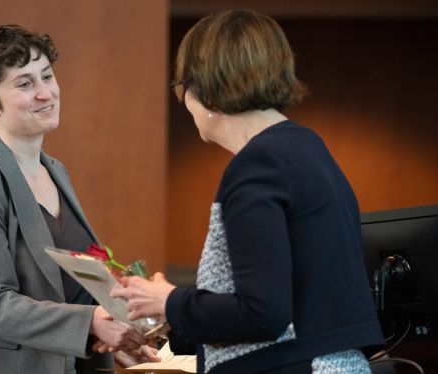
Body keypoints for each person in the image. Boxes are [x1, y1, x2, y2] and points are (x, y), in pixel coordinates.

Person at [110, 9, 385, 374]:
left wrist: (171, 299)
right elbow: (286, 298)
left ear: (204, 84)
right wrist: (174, 312)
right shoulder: (306, 148)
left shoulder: (258, 165)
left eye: (181, 89)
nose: (184, 103)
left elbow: (263, 314)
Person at [0, 25, 156, 373]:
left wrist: (111, 337)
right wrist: (92, 323)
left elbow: (68, 291)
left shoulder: (56, 170)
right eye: (24, 84)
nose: (45, 93)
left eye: (47, 76)